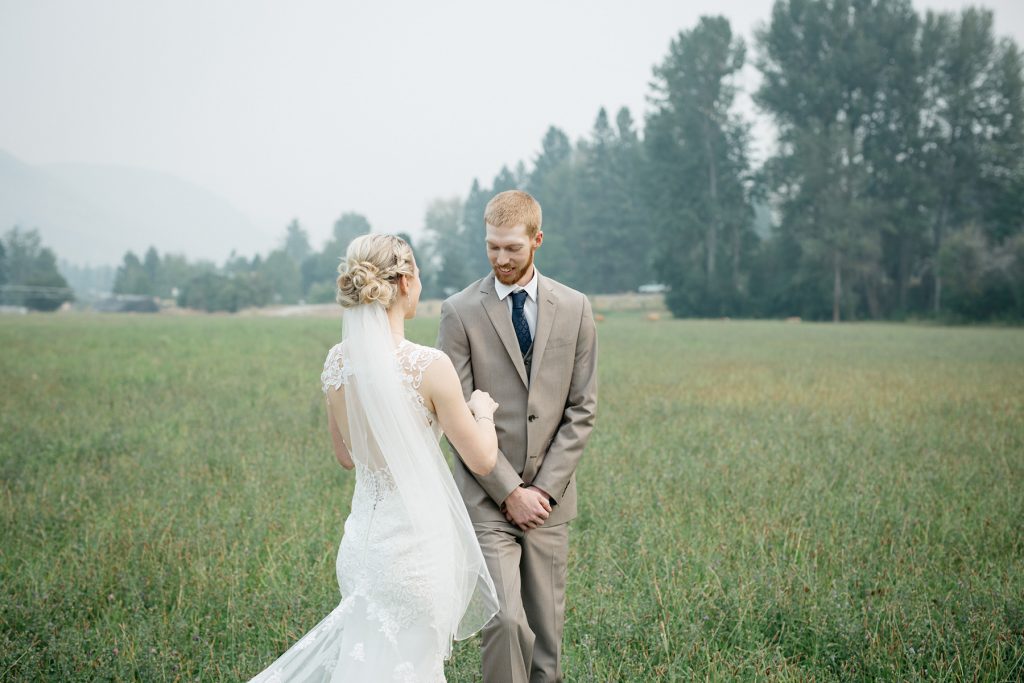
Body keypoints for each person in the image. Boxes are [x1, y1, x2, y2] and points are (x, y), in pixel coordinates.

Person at [249, 234, 500, 682]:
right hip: (417, 549)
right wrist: (483, 412)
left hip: (363, 547)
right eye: (418, 274)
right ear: (404, 282)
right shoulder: (429, 366)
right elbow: (481, 460)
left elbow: (346, 457)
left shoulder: (336, 364)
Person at [437, 190, 598, 683]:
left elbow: (582, 408)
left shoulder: (575, 307)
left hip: (550, 503)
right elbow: (457, 419)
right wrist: (510, 492)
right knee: (506, 621)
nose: (501, 259)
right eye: (492, 247)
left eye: (511, 248)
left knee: (547, 639)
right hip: (487, 500)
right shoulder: (459, 311)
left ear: (537, 240)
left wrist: (542, 492)